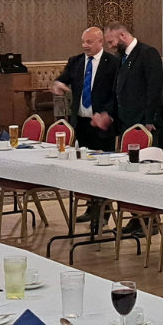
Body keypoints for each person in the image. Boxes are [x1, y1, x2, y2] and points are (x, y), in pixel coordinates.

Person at [51, 27, 120, 226]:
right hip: (81, 123)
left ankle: (103, 213)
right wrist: (57, 84)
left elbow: (117, 94)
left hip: (102, 124)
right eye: (83, 42)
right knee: (86, 169)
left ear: (100, 42)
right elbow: (63, 79)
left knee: (103, 171)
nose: (85, 46)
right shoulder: (76, 61)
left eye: (89, 42)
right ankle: (91, 208)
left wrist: (107, 114)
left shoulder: (113, 63)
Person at [105, 21, 163, 141]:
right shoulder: (121, 57)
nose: (110, 47)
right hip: (124, 122)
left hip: (144, 123)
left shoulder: (147, 53)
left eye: (111, 42)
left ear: (122, 35)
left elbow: (154, 89)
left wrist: (149, 120)